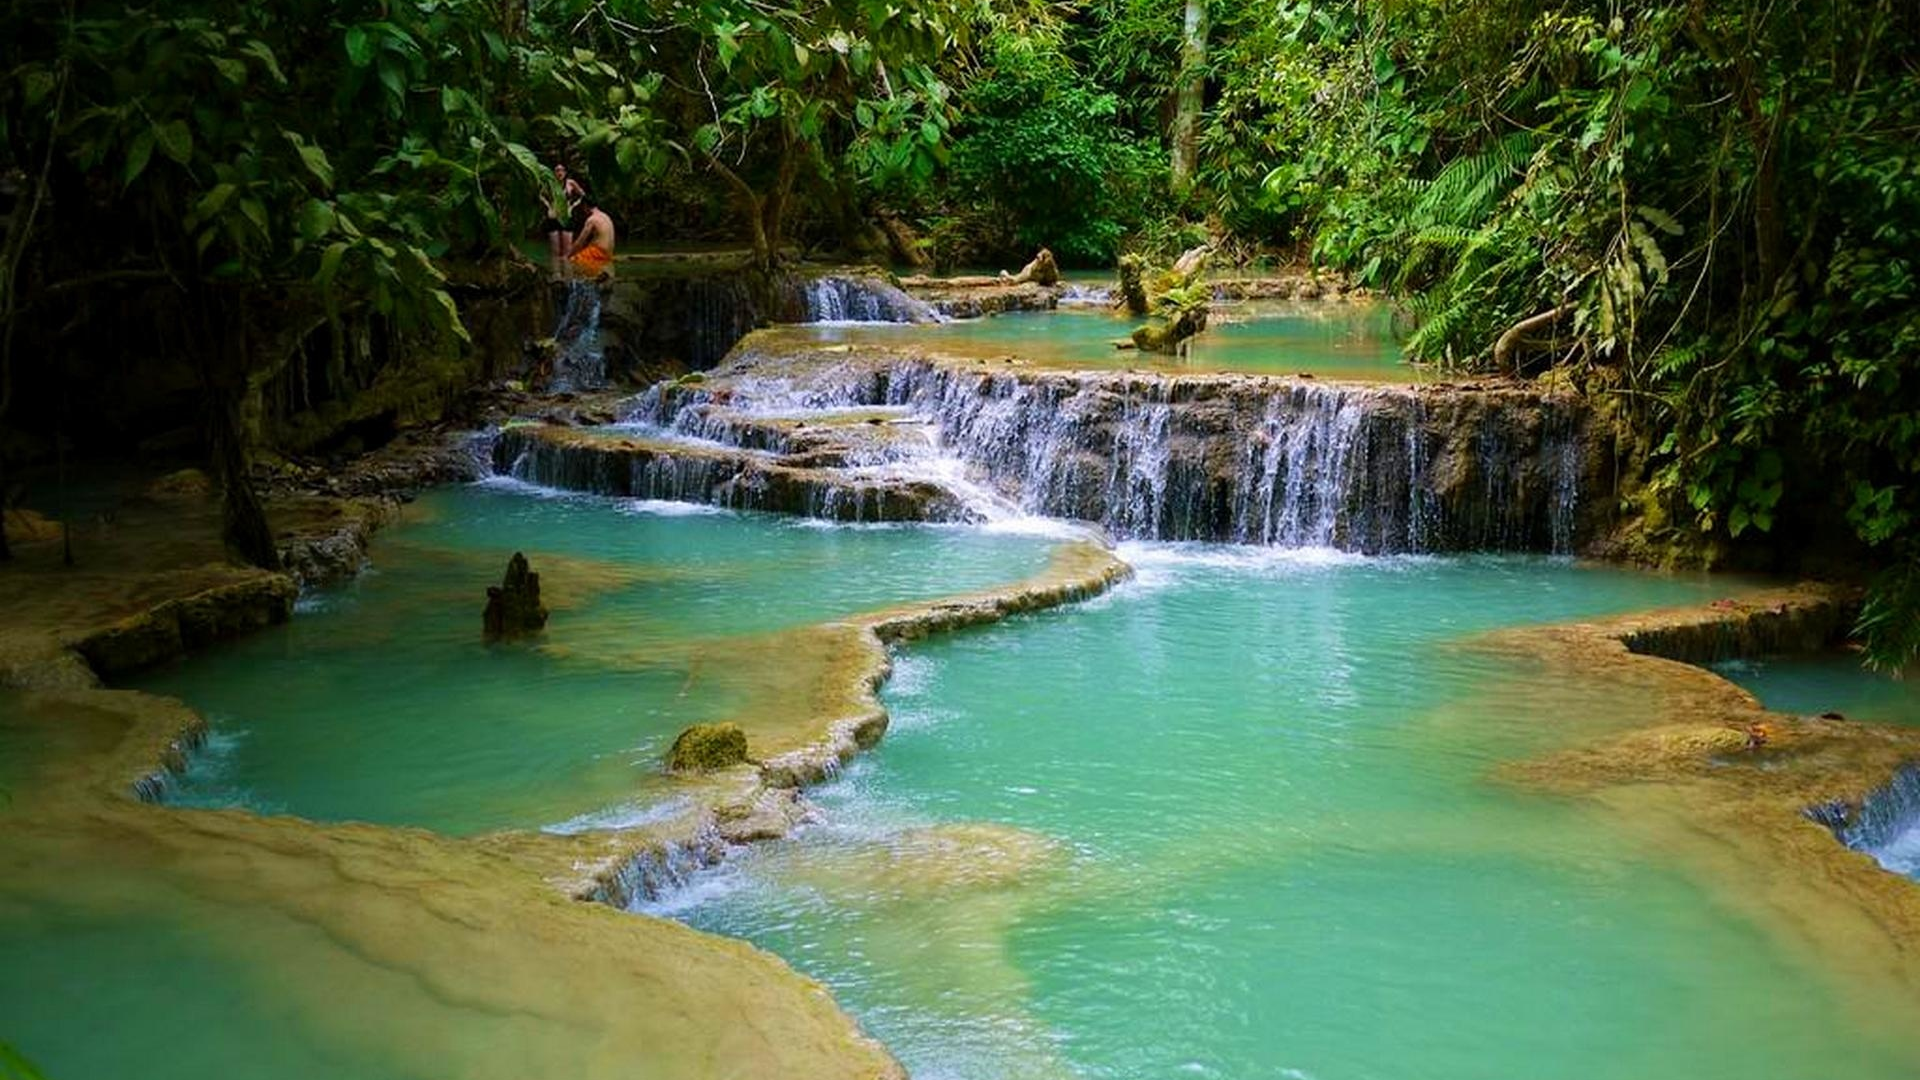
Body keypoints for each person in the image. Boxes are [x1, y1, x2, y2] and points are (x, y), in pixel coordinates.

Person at [540, 164, 586, 264]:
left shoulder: (571, 183)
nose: (560, 173)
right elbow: (541, 195)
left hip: (567, 217)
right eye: (557, 170)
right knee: (555, 252)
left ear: (565, 172)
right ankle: (557, 276)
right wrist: (549, 206)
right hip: (554, 217)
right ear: (554, 173)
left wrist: (573, 206)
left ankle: (567, 277)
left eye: (562, 170)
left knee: (567, 251)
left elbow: (582, 195)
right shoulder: (550, 184)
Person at [565, 195, 617, 278]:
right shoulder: (605, 216)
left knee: (572, 261)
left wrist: (568, 256)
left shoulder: (592, 220)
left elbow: (580, 242)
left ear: (585, 206)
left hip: (598, 252)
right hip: (608, 254)